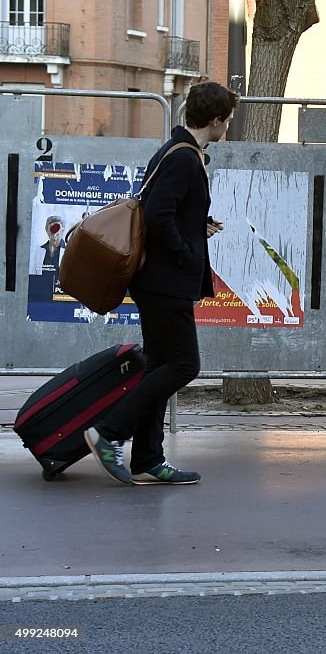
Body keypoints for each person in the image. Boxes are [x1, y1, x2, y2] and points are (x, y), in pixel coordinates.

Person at [84, 80, 238, 486]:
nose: (228, 127)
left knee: (159, 366)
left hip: (159, 280)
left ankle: (148, 458)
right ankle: (108, 432)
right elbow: (156, 215)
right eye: (228, 120)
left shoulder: (177, 152)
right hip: (165, 282)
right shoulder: (183, 159)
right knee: (185, 365)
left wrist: (196, 228)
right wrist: (187, 254)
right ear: (217, 120)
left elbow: (168, 212)